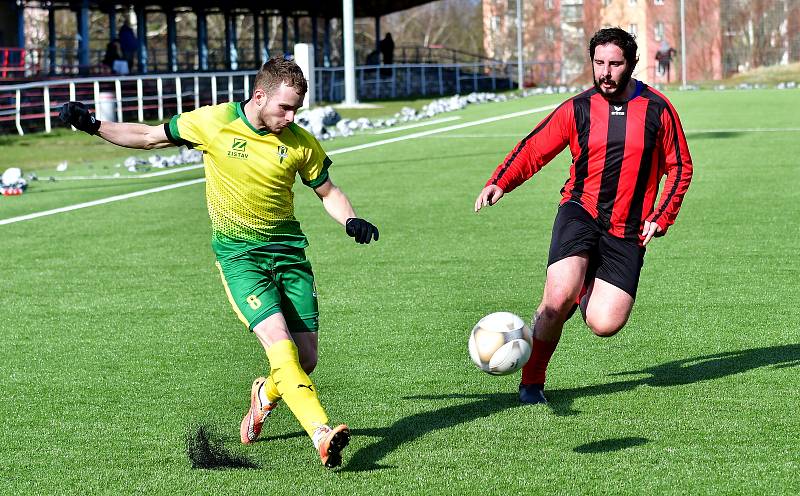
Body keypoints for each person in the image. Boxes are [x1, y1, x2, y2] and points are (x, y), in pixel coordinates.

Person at [58, 57, 379, 468]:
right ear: (259, 96)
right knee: (282, 352)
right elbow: (148, 136)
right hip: (240, 257)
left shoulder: (299, 142)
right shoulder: (213, 123)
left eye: (297, 107)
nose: (292, 115)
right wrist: (94, 125)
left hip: (290, 256)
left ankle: (263, 395)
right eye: (285, 107)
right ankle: (321, 432)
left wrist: (349, 217)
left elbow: (328, 191)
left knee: (307, 359)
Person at [473, 27, 693, 405]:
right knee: (557, 298)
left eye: (615, 64)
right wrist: (500, 182)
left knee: (605, 324)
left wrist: (662, 215)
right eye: (599, 63)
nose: (606, 72)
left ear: (632, 64)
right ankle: (532, 381)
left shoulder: (658, 109)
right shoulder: (578, 108)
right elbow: (534, 148)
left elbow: (681, 166)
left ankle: (579, 289)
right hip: (581, 210)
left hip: (628, 229)